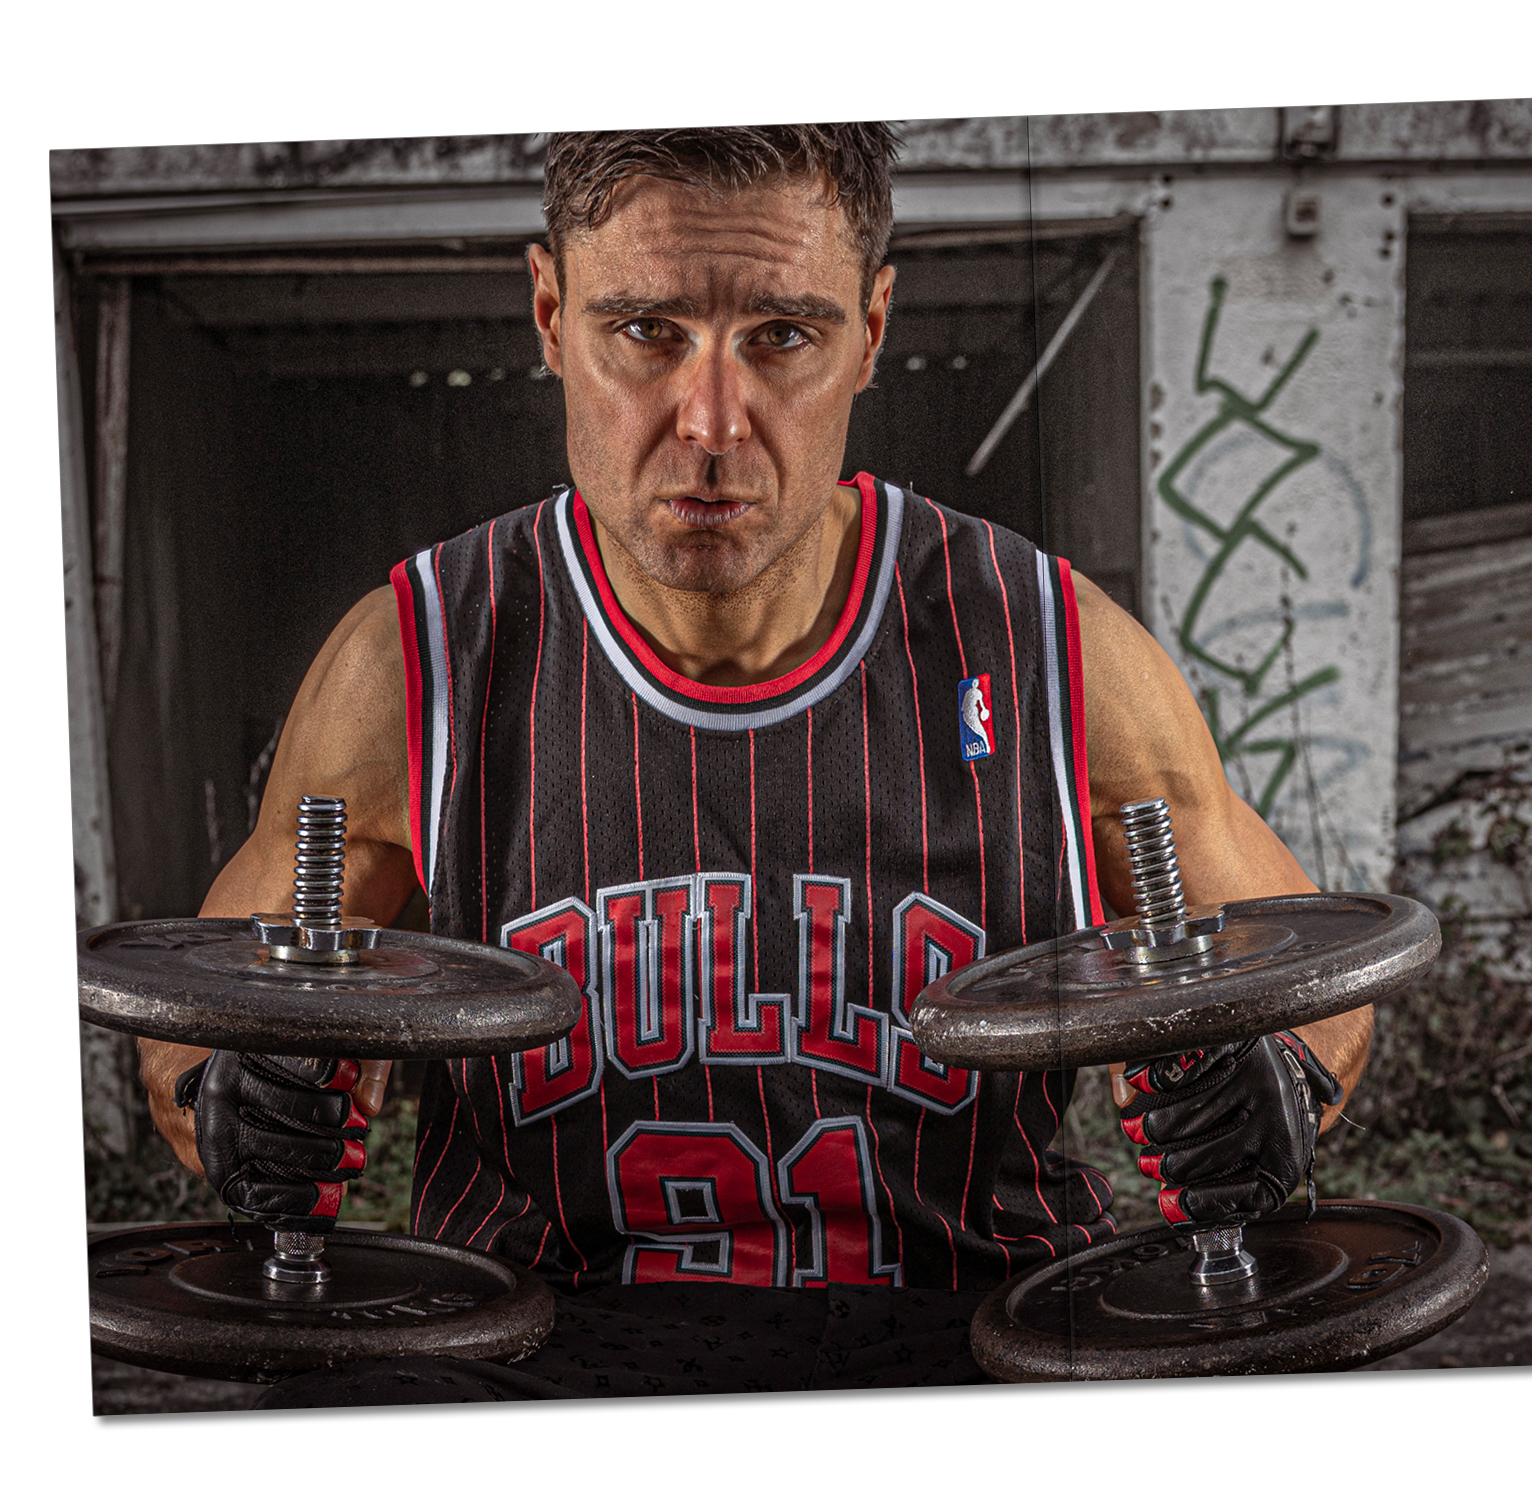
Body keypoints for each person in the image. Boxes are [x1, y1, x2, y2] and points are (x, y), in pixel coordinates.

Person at [135, 124, 1374, 1399]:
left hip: (974, 1348)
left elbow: (1308, 973)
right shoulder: (416, 660)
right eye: (647, 333)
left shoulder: (1054, 648)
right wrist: (240, 1102)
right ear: (553, 316)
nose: (713, 422)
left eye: (782, 337)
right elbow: (195, 1034)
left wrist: (1273, 1082)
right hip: (529, 1359)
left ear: (874, 329)